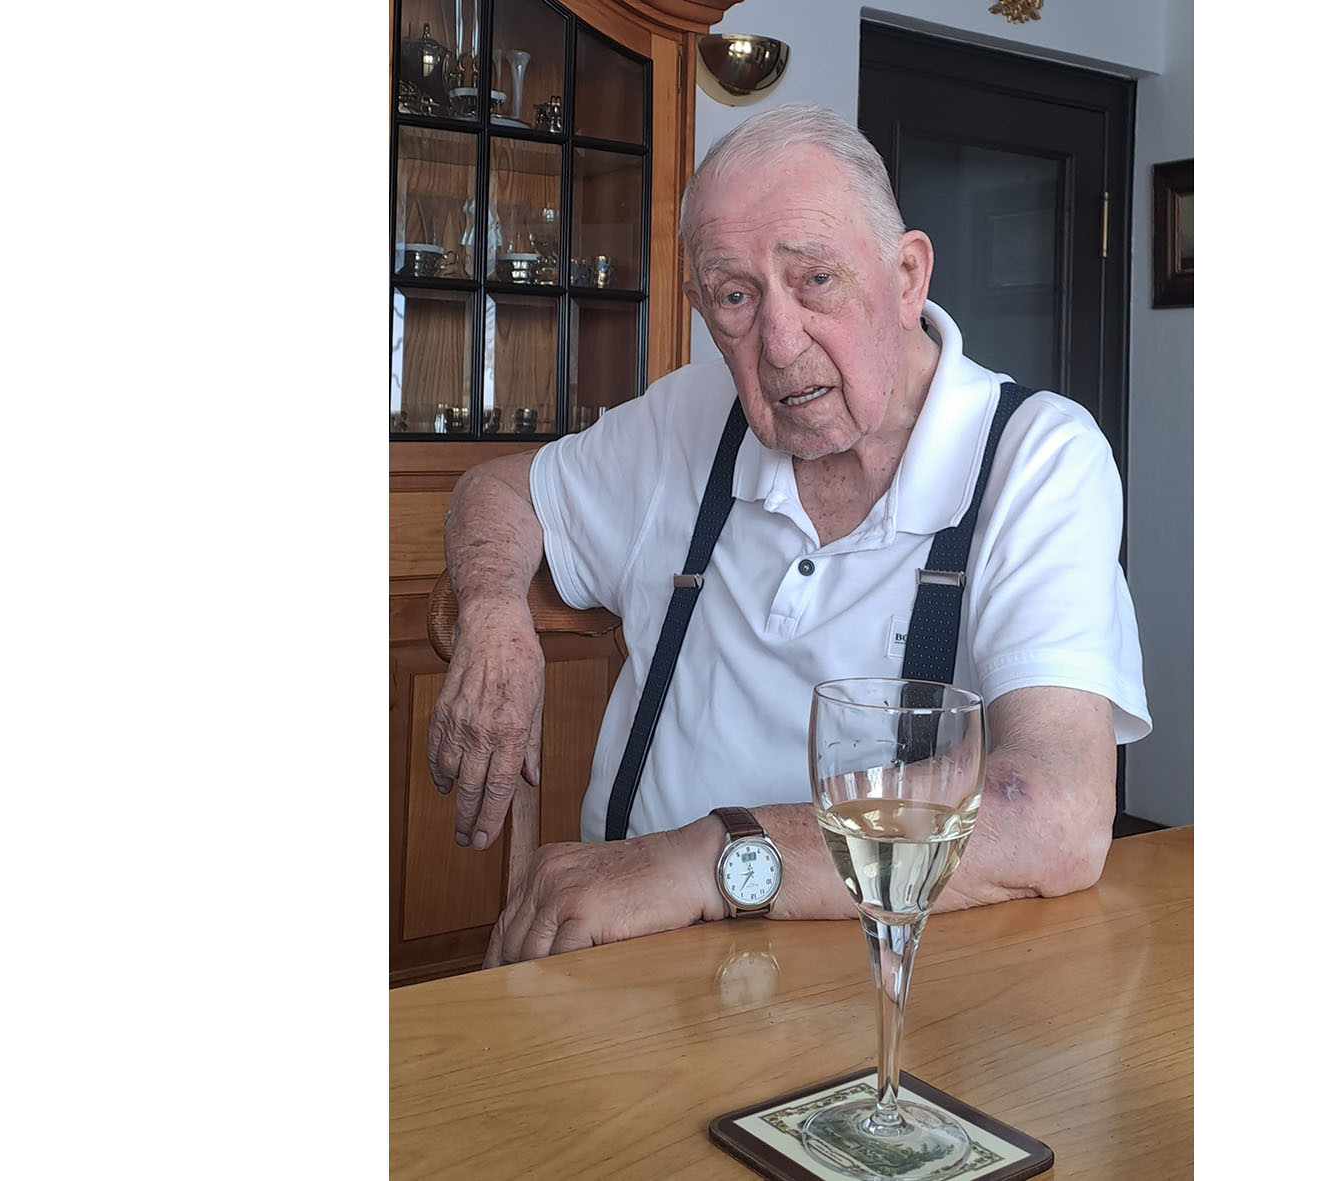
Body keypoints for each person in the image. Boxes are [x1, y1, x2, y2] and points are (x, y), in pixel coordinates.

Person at [428, 103, 1150, 966]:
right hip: (617, 956)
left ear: (907, 276)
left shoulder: (1035, 457)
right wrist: (494, 612)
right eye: (736, 297)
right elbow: (499, 489)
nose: (778, 342)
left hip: (880, 979)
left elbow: (1052, 815)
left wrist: (706, 859)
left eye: (816, 280)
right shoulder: (689, 418)